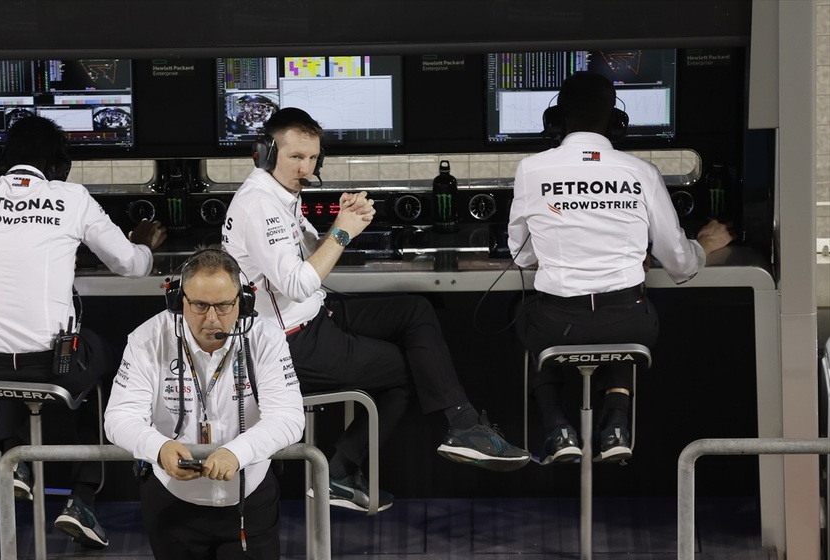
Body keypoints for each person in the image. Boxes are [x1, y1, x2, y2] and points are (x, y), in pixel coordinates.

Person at [222, 107, 529, 514]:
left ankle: (463, 425)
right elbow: (296, 282)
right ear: (263, 153)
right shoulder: (258, 205)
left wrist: (343, 221)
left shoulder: (281, 196)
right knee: (405, 370)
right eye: (296, 157)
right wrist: (345, 230)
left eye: (313, 158)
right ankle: (338, 471)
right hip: (287, 344)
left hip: (315, 313)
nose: (307, 168)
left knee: (415, 310)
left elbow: (312, 252)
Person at [104, 247, 305, 560]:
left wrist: (237, 452)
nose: (213, 319)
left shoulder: (262, 335)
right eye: (200, 307)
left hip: (245, 496)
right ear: (179, 299)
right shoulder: (149, 337)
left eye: (225, 306)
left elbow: (288, 419)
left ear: (244, 299)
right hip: (173, 499)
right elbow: (119, 416)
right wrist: (157, 446)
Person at [0, 115, 166, 548]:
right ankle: (82, 499)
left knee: (11, 364)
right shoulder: (72, 197)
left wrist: (1, 256)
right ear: (62, 167)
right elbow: (132, 266)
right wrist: (143, 243)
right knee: (99, 364)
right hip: (56, 369)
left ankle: (14, 458)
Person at [507, 72, 734, 464]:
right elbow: (679, 263)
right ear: (616, 122)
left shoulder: (531, 170)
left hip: (556, 324)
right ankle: (615, 423)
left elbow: (521, 255)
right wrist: (704, 245)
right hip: (634, 325)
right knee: (618, 319)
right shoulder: (641, 172)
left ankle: (557, 426)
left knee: (523, 314)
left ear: (556, 121)